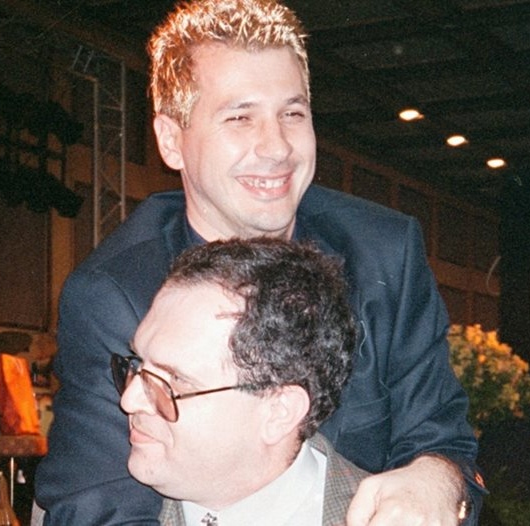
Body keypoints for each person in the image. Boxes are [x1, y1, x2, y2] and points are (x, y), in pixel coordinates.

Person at [34, 0, 483, 524]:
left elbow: (441, 438)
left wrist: (437, 478)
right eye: (240, 117)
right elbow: (101, 505)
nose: (277, 147)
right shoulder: (117, 293)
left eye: (292, 114)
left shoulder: (385, 253)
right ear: (172, 141)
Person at [111, 237, 368, 525]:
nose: (129, 400)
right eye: (138, 364)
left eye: (175, 380)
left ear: (279, 412)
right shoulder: (85, 502)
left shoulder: (380, 516)